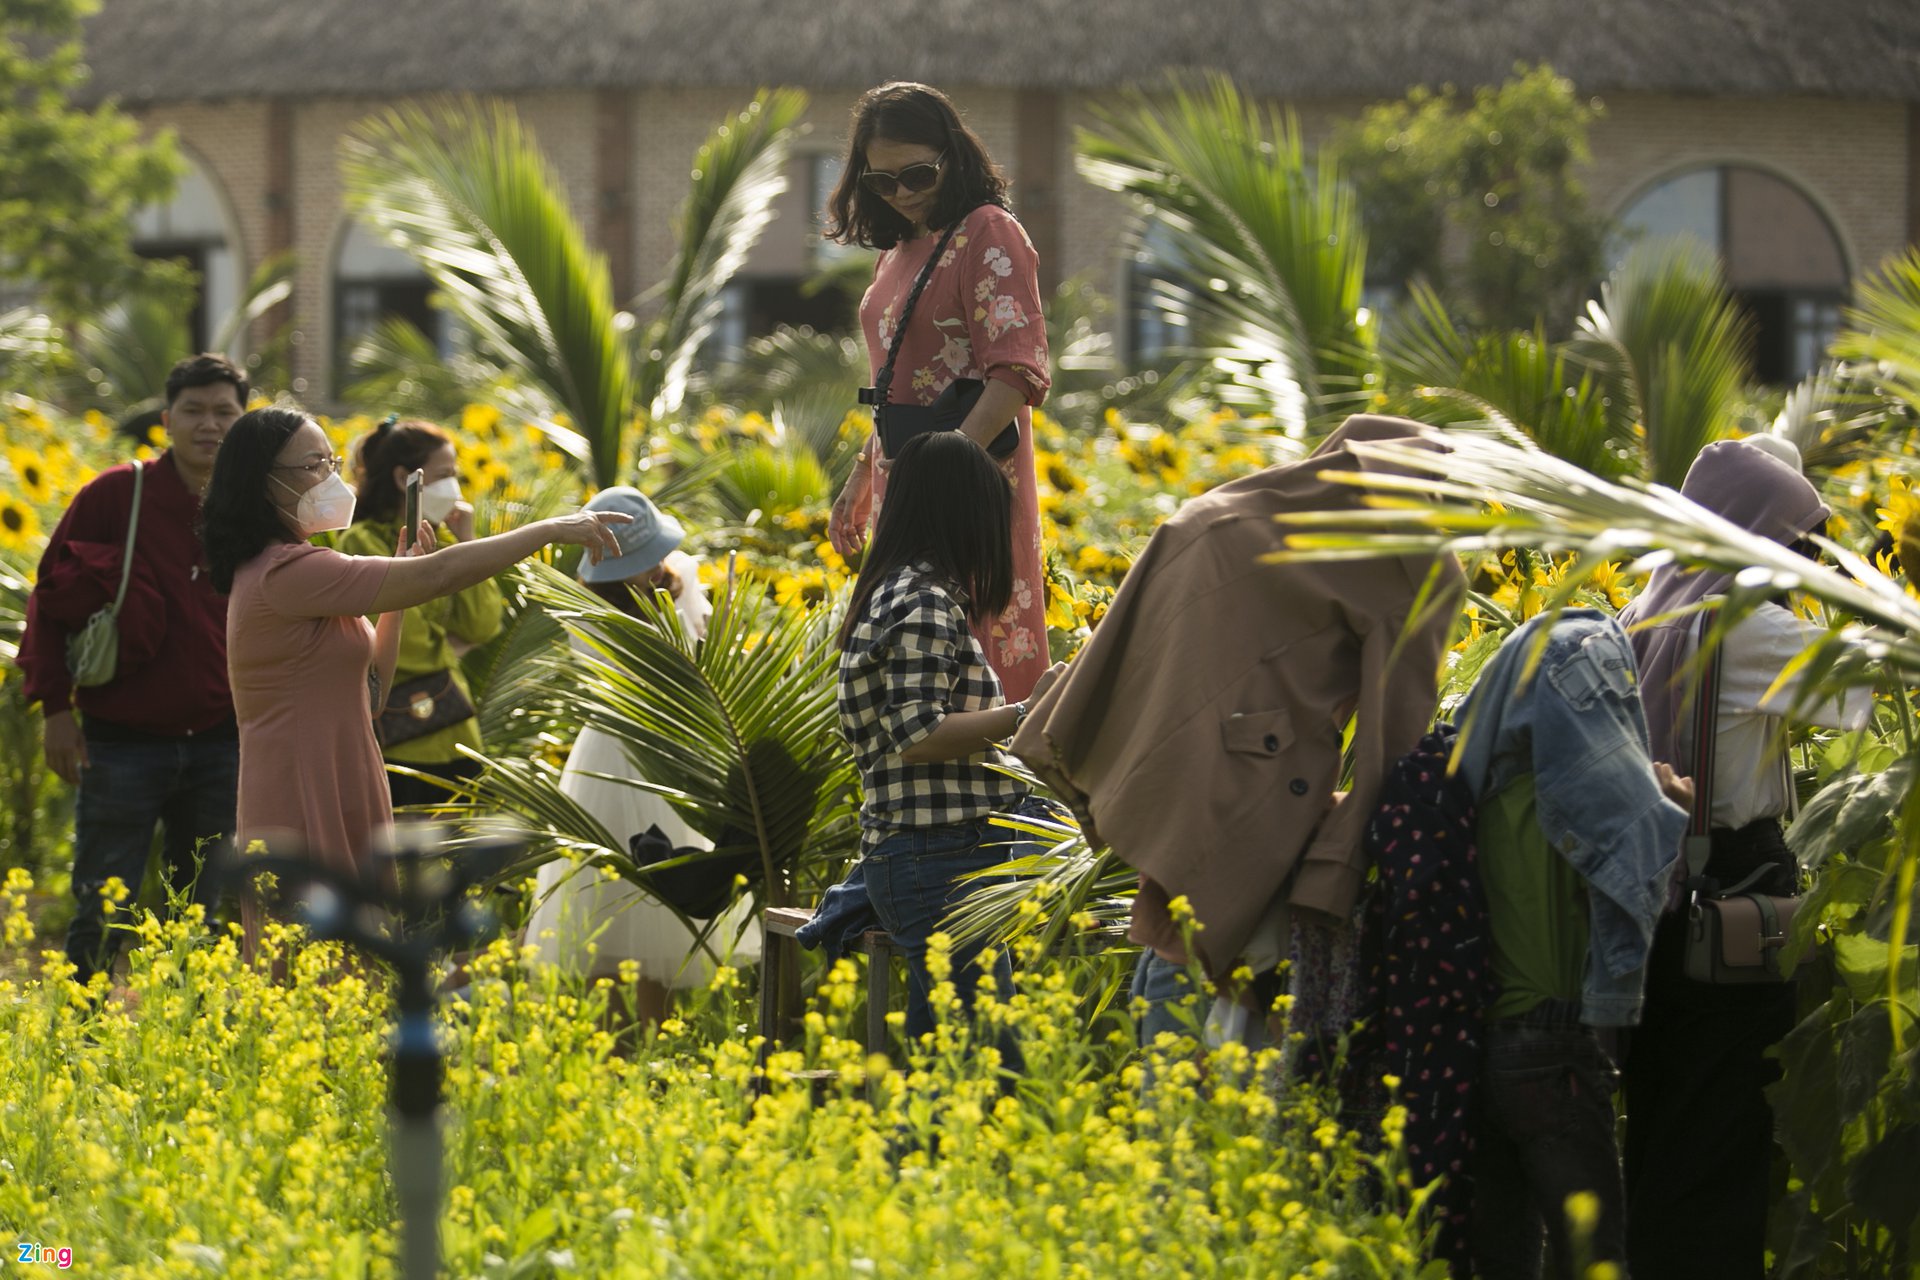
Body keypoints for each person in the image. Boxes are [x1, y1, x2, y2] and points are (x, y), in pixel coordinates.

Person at [199, 407, 625, 939]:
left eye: (331, 461)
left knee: (352, 959)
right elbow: (443, 573)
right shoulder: (287, 570)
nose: (330, 477)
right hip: (303, 782)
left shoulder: (295, 566)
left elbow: (373, 692)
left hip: (344, 768)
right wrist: (549, 530)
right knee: (311, 956)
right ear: (265, 483)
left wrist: (395, 598)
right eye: (314, 465)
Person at [1618, 438, 1874, 1280]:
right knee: (1724, 1141)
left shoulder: (1650, 603)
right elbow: (1858, 699)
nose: (1801, 561)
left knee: (1660, 1127)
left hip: (1651, 906)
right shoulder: (1744, 624)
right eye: (1796, 540)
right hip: (1730, 895)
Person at [1449, 609, 1694, 1279]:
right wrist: (1668, 800)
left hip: (1481, 1044)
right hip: (1554, 1044)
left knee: (1503, 1256)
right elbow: (1634, 848)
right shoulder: (1563, 805)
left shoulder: (1485, 789)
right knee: (1593, 1254)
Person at [18, 353, 248, 985]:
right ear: (167, 419)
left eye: (224, 412)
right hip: (121, 742)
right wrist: (57, 711)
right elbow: (50, 599)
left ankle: (189, 1045)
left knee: (202, 909)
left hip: (223, 742)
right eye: (194, 411)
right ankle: (83, 1036)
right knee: (101, 903)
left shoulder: (257, 507)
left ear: (244, 421)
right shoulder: (117, 495)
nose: (209, 425)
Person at [835, 431, 1064, 1055]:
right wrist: (1024, 711)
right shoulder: (927, 604)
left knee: (968, 1051)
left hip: (928, 854)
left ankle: (925, 1151)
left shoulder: (893, 593)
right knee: (974, 1058)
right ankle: (920, 1152)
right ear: (963, 515)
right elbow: (919, 734)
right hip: (931, 857)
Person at [824, 81, 1053, 701]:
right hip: (905, 479)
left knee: (968, 651)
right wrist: (863, 476)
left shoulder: (988, 232)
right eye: (882, 182)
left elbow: (1017, 371)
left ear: (954, 156)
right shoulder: (898, 249)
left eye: (917, 175)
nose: (900, 193)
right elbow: (893, 381)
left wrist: (942, 463)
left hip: (967, 482)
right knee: (904, 661)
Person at [524, 487, 761, 1026]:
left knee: (666, 899)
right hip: (625, 759)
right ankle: (626, 1051)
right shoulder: (594, 613)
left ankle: (651, 1054)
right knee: (617, 905)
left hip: (661, 757)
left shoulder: (671, 590)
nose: (657, 564)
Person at [336, 418, 503, 809]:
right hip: (402, 741)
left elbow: (483, 624)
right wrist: (448, 644)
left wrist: (468, 542)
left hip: (459, 734)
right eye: (443, 475)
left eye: (455, 474)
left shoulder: (442, 542)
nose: (454, 487)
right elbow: (401, 646)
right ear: (402, 479)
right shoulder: (361, 541)